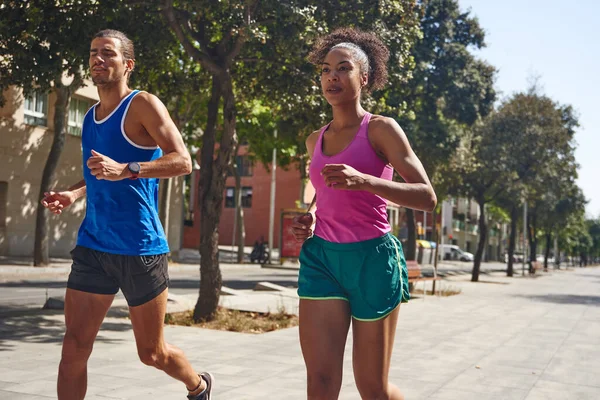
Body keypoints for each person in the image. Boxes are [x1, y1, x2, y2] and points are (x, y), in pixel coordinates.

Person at [41, 29, 213, 400]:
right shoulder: (89, 117)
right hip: (94, 245)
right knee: (73, 347)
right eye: (93, 53)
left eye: (108, 53)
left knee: (152, 353)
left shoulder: (143, 105)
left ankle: (198, 385)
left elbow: (183, 161)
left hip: (140, 248)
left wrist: (130, 168)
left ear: (127, 64)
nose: (98, 59)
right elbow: (98, 172)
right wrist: (73, 192)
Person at [291, 28, 436, 400]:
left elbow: (426, 197)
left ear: (364, 77)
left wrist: (367, 181)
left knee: (372, 388)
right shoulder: (314, 139)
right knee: (319, 382)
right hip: (322, 258)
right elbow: (325, 192)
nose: (332, 77)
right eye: (325, 70)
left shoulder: (381, 129)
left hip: (372, 259)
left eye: (343, 68)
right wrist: (308, 217)